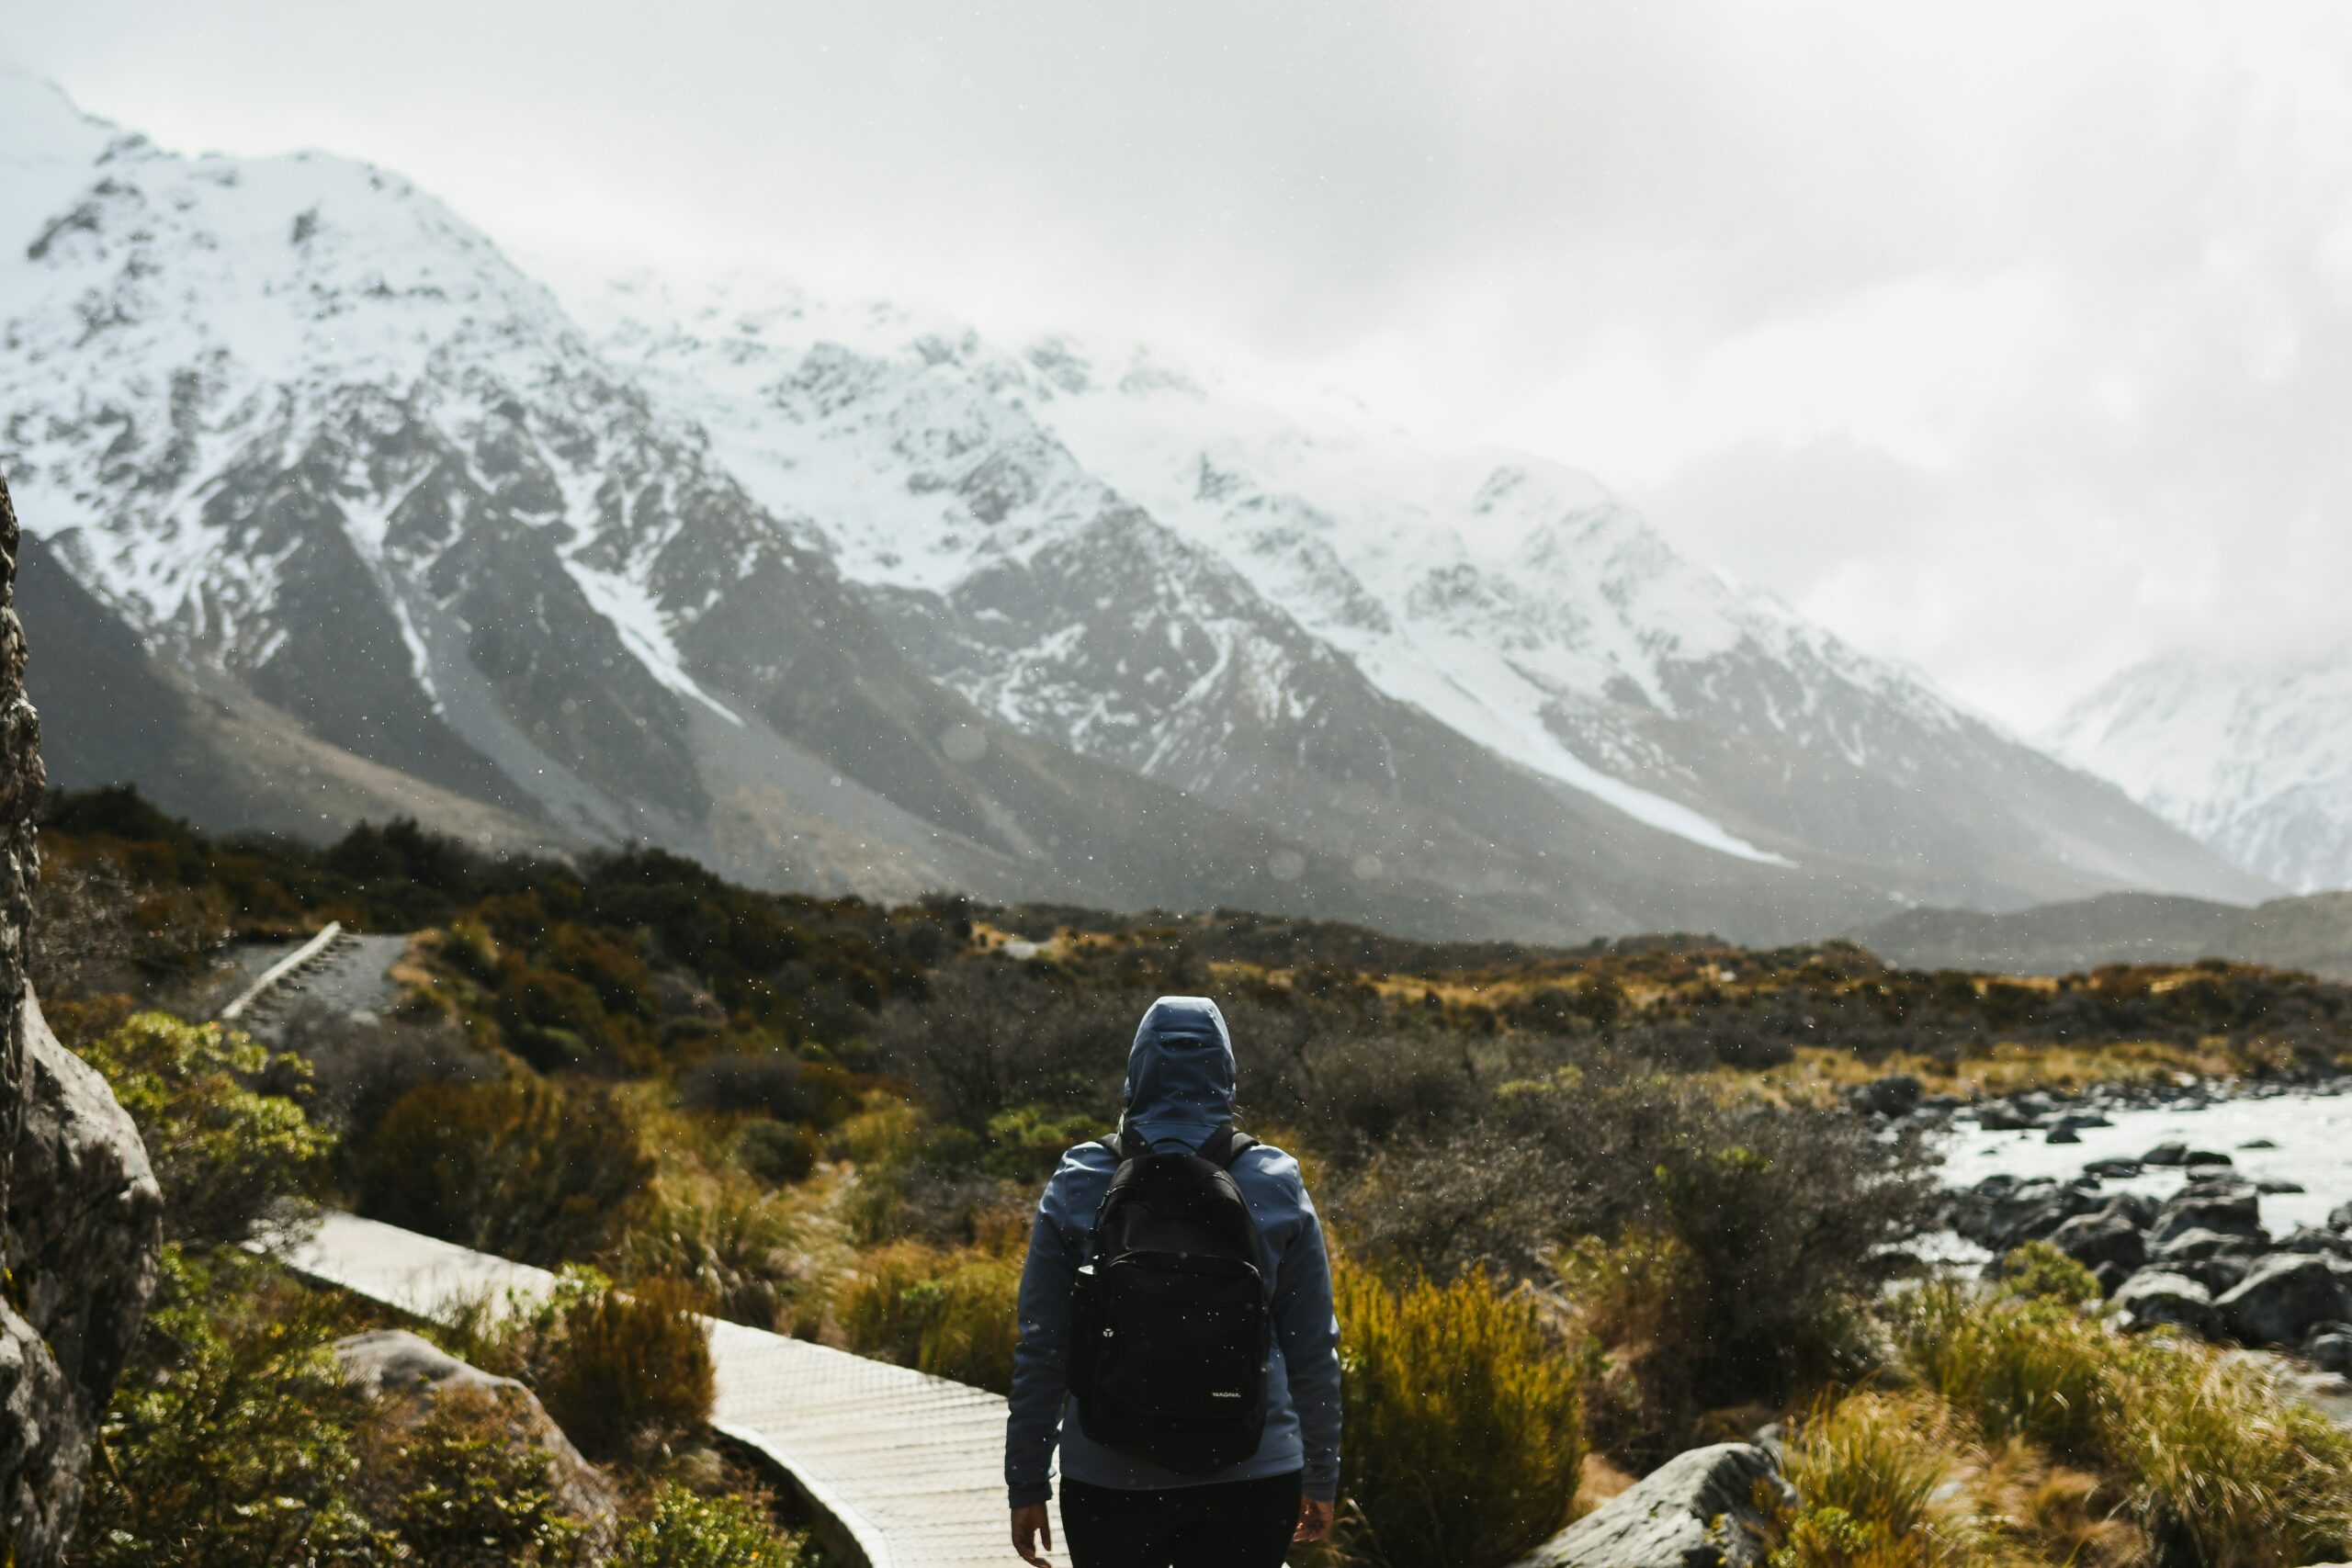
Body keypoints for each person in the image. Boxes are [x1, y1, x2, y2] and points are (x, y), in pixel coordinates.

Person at [1006, 996, 1340, 1567]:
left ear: (1137, 1070)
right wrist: (1322, 1472)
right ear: (1226, 1072)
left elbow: (1043, 1344)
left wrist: (1027, 1481)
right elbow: (1313, 1346)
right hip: (1254, 1470)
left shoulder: (1082, 1178)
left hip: (1109, 1478)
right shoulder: (1275, 1180)